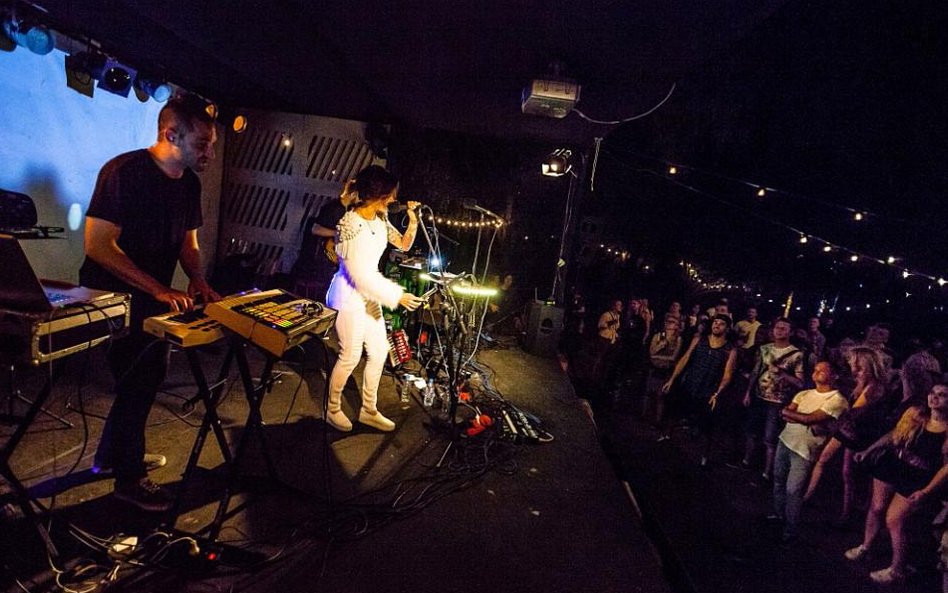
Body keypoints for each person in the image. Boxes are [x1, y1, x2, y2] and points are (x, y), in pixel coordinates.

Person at [80, 94, 221, 511]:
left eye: (211, 144)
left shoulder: (189, 183)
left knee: (144, 378)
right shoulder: (123, 172)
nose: (209, 153)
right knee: (139, 379)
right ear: (170, 134)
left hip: (153, 294)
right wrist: (158, 289)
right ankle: (129, 479)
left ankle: (111, 456)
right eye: (202, 144)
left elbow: (188, 242)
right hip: (112, 295)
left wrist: (197, 279)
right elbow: (98, 246)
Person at [324, 165, 424, 432]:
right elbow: (358, 276)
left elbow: (403, 244)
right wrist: (397, 295)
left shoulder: (380, 220)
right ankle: (332, 409)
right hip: (349, 295)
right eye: (390, 194)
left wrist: (413, 218)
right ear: (379, 194)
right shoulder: (349, 224)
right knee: (350, 355)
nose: (393, 199)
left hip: (370, 293)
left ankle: (369, 410)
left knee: (379, 351)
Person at [844, 383, 948, 584]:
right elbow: (894, 435)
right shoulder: (916, 414)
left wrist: (927, 491)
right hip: (893, 465)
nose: (934, 397)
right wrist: (869, 450)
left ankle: (897, 569)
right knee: (877, 507)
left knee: (894, 519)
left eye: (942, 395)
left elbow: (946, 468)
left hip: (917, 478)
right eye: (932, 393)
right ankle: (866, 547)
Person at [771, 361, 849, 542]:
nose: (817, 371)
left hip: (805, 450)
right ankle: (778, 515)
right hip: (785, 440)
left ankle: (790, 529)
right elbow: (787, 414)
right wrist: (803, 418)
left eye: (823, 370)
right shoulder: (804, 393)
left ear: (834, 375)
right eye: (815, 369)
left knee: (793, 490)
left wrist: (800, 417)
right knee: (778, 481)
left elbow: (807, 419)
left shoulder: (837, 400)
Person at [661, 314, 737, 464]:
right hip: (690, 385)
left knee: (706, 425)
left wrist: (718, 393)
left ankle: (704, 456)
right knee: (675, 412)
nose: (717, 325)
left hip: (708, 391)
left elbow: (727, 374)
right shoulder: (699, 340)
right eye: (715, 322)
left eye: (721, 323)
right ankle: (667, 437)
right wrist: (672, 379)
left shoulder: (730, 350)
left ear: (727, 329)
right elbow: (685, 359)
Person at [741, 317, 805, 481]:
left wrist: (782, 374)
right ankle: (747, 461)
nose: (779, 331)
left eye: (784, 328)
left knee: (770, 438)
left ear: (790, 332)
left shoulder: (796, 354)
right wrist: (748, 392)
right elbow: (756, 371)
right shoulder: (764, 349)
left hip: (778, 401)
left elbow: (800, 382)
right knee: (751, 431)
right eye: (777, 327)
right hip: (758, 396)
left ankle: (767, 473)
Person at [290, 179, 359, 298]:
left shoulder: (344, 210)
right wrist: (338, 233)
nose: (360, 200)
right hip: (316, 264)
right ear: (353, 194)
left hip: (325, 262)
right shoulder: (334, 208)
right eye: (359, 196)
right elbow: (315, 229)